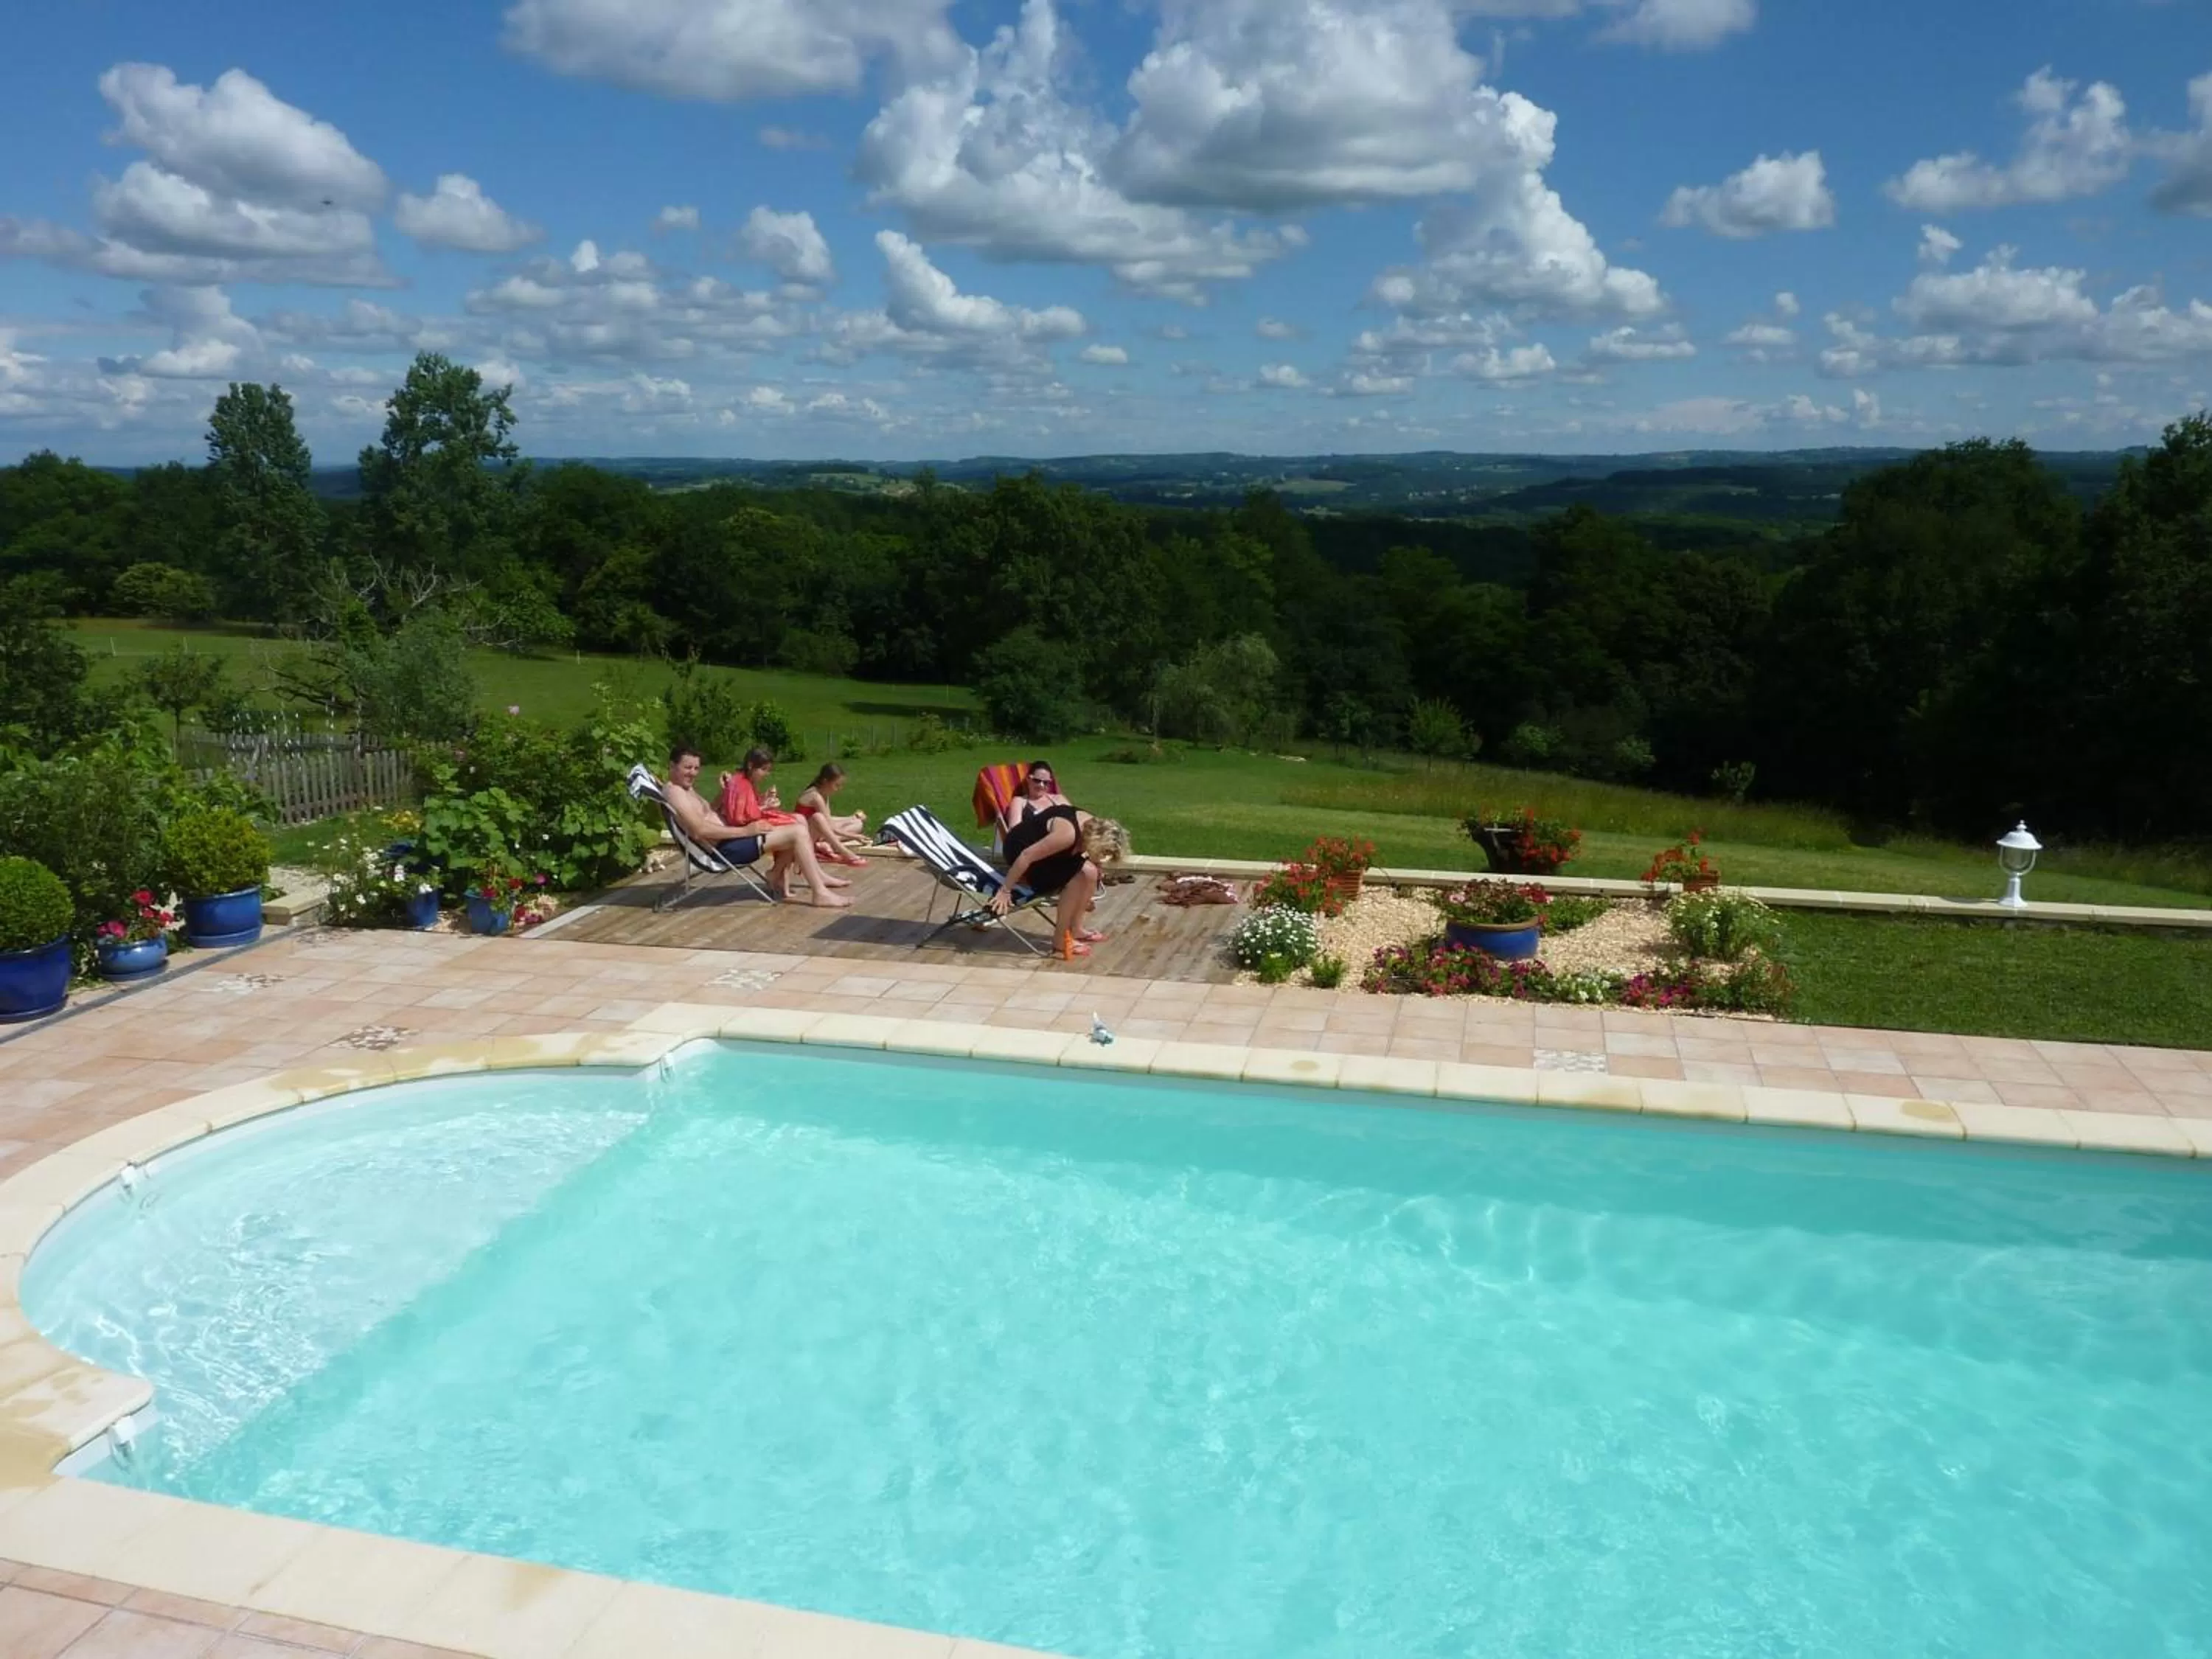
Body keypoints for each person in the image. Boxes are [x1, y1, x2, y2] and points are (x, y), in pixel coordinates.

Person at [664, 745, 852, 909]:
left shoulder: (686, 789)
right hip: (725, 849)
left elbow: (710, 812)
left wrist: (724, 792)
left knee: (796, 822)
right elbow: (700, 831)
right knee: (798, 832)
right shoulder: (675, 793)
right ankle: (819, 893)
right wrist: (747, 831)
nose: (693, 773)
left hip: (732, 839)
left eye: (696, 768)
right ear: (672, 766)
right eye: (687, 768)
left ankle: (779, 875)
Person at [988, 759, 1108, 953]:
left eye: (1046, 782)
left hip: (1059, 850)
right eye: (1037, 781)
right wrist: (1005, 890)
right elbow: (1015, 834)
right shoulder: (1021, 802)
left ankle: (1077, 928)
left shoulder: (1058, 799)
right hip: (1035, 854)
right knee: (1079, 875)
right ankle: (1060, 939)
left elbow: (1081, 829)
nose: (1042, 786)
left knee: (1091, 872)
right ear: (1029, 780)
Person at [717, 747, 848, 890]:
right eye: (764, 770)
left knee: (800, 819)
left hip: (751, 828)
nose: (766, 774)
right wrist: (766, 807)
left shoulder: (746, 782)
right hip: (746, 834)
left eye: (768, 770)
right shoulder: (741, 785)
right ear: (750, 765)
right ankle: (790, 875)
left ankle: (779, 872)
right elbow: (741, 817)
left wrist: (765, 799)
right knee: (797, 827)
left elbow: (748, 807)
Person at [793, 763, 869, 867]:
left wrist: (852, 818)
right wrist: (855, 836)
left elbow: (828, 819)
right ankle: (843, 851)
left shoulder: (823, 794)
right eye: (836, 785)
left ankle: (824, 844)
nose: (839, 789)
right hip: (806, 835)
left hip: (816, 830)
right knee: (818, 818)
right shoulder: (816, 797)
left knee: (857, 823)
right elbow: (831, 827)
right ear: (825, 781)